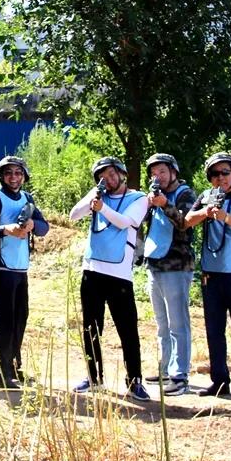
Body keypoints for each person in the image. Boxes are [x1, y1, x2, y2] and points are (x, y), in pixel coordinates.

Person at [69, 156, 151, 402]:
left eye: (113, 173)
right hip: (92, 270)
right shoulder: (98, 195)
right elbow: (74, 215)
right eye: (103, 175)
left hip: (119, 274)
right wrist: (94, 196)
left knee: (128, 329)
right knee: (91, 328)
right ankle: (94, 377)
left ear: (122, 173)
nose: (109, 179)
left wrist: (102, 208)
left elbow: (127, 221)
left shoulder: (138, 198)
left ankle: (134, 381)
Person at [183, 152, 231, 405]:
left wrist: (224, 216)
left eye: (225, 172)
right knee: (214, 331)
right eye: (215, 174)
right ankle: (219, 380)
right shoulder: (205, 197)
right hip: (211, 275)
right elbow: (186, 222)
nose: (220, 178)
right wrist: (207, 212)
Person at [0, 156, 50, 390]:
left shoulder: (27, 198)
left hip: (20, 266)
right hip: (0, 266)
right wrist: (5, 229)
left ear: (24, 176)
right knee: (5, 319)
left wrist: (32, 226)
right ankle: (1, 374)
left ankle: (14, 368)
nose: (13, 177)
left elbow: (44, 226)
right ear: (1, 176)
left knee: (20, 317)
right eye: (8, 173)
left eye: (18, 173)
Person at [140, 153, 197, 397]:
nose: (158, 177)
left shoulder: (185, 194)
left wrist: (164, 204)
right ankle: (165, 368)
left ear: (173, 171)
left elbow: (185, 224)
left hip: (177, 265)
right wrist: (148, 205)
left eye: (162, 171)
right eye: (154, 173)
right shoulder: (154, 195)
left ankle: (180, 375)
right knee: (162, 323)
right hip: (155, 263)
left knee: (178, 323)